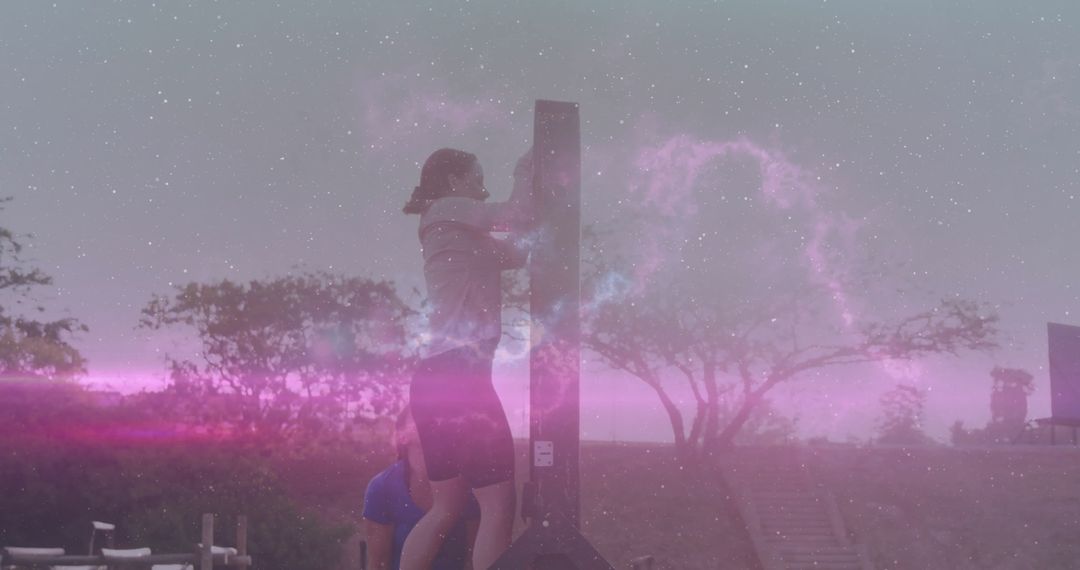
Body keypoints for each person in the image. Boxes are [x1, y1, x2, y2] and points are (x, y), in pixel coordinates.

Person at [398, 147, 534, 570]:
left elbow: (516, 253)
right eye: (476, 176)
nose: (481, 185)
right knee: (497, 506)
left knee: (446, 508)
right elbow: (519, 213)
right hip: (462, 376)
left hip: (433, 380)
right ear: (455, 180)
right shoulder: (449, 207)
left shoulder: (455, 231)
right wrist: (525, 169)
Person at [363, 407, 480, 570]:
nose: (433, 420)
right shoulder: (382, 487)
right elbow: (378, 564)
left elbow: (473, 560)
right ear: (403, 437)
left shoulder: (468, 484)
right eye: (421, 415)